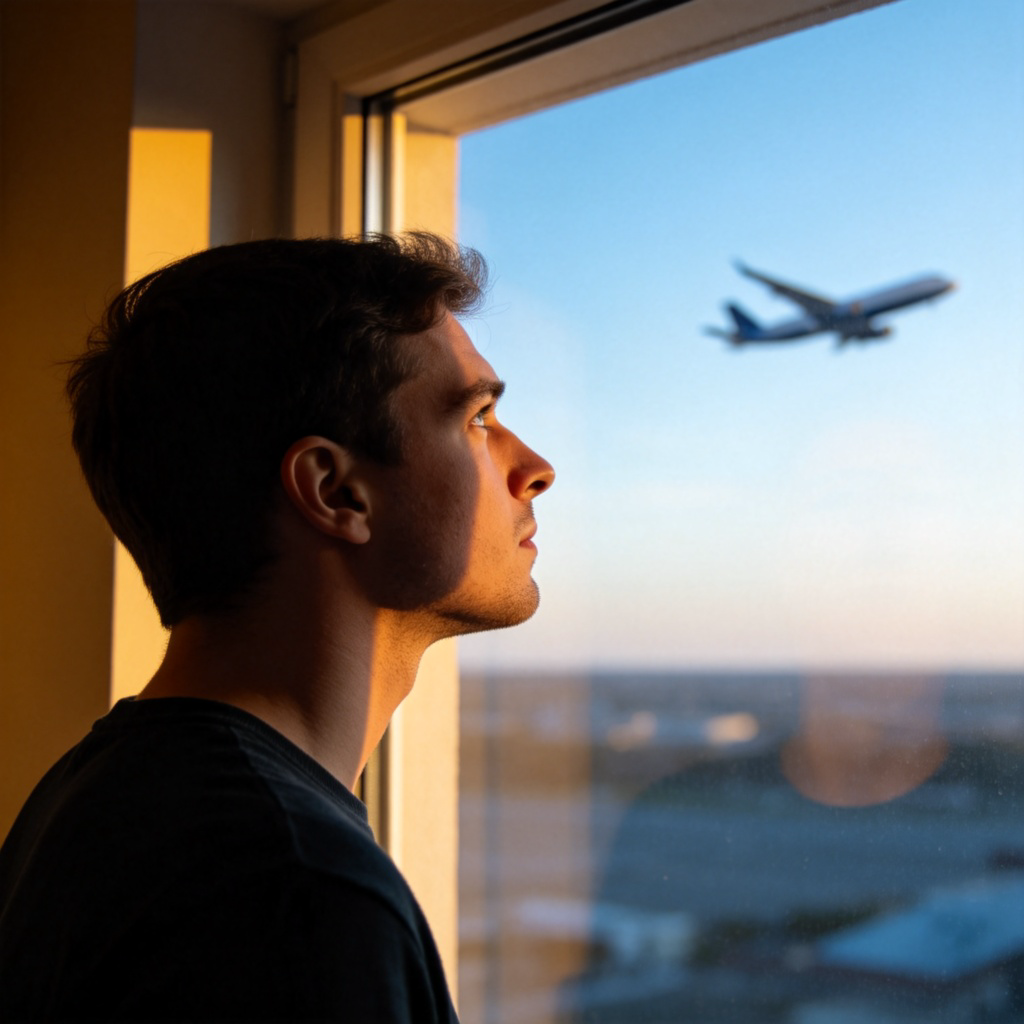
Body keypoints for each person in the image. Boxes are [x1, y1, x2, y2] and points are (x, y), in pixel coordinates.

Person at [0, 234, 554, 1022]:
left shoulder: (102, 797)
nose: (534, 466)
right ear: (335, 492)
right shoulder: (294, 890)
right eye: (477, 418)